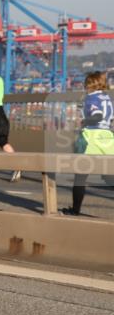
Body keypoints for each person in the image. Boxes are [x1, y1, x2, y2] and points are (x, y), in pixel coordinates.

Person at [62, 71, 113, 216]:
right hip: (107, 137)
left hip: (91, 137)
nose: (85, 87)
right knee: (109, 176)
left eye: (86, 84)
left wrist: (85, 121)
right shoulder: (107, 98)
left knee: (80, 177)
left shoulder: (91, 98)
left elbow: (97, 116)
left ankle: (75, 210)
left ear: (90, 84)